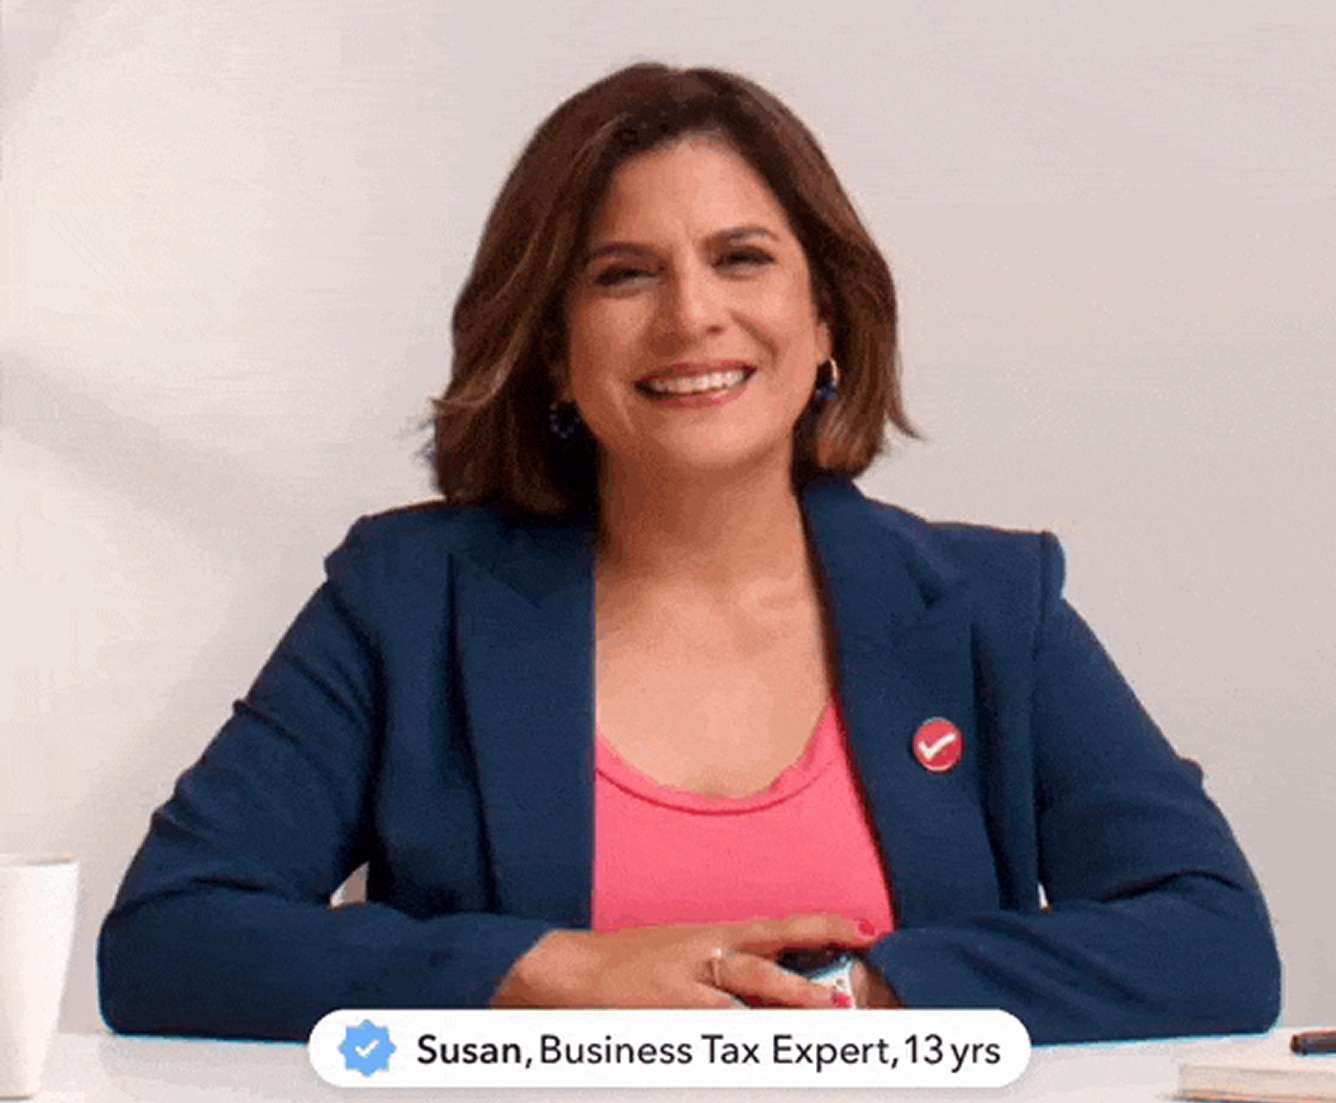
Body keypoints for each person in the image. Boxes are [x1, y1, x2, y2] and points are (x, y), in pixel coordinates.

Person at [98, 63, 1281, 1044]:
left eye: (742, 258)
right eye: (624, 275)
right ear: (553, 349)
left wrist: (847, 993)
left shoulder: (986, 607)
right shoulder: (407, 601)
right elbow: (170, 939)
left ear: (826, 322)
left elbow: (1213, 944)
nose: (691, 316)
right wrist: (552, 975)